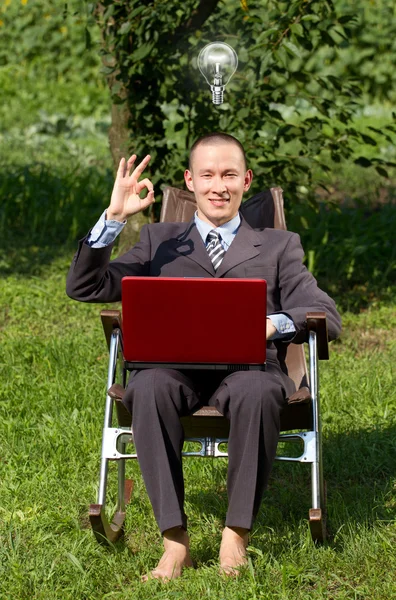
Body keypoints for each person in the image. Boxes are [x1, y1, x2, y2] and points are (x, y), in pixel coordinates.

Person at [66, 132, 341, 581]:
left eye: (230, 174)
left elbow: (326, 315)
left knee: (257, 391)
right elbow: (86, 288)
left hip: (251, 369)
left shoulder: (278, 246)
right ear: (189, 181)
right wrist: (113, 219)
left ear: (246, 180)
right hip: (170, 369)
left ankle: (235, 536)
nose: (219, 186)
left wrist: (274, 323)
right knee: (148, 386)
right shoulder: (159, 241)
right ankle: (175, 542)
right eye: (208, 175)